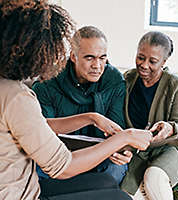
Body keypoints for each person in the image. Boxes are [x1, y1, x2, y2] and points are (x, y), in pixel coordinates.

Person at [0, 1, 153, 200]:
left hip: (26, 185)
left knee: (106, 182)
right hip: (20, 194)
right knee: (120, 198)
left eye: (102, 58)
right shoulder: (17, 96)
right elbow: (63, 168)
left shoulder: (8, 89)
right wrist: (125, 137)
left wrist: (92, 117)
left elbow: (40, 126)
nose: (97, 65)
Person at [32, 25, 129, 184]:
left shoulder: (114, 80)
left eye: (102, 58)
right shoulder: (48, 81)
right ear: (73, 56)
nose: (97, 66)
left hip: (99, 156)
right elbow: (43, 128)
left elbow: (117, 129)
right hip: (60, 156)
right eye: (89, 58)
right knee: (35, 170)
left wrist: (123, 152)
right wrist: (92, 118)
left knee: (115, 170)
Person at [120, 31, 178, 200]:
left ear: (164, 62)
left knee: (154, 178)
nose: (144, 65)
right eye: (141, 57)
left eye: (153, 61)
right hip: (143, 149)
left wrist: (170, 128)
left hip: (175, 146)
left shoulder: (175, 84)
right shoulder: (128, 78)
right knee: (129, 194)